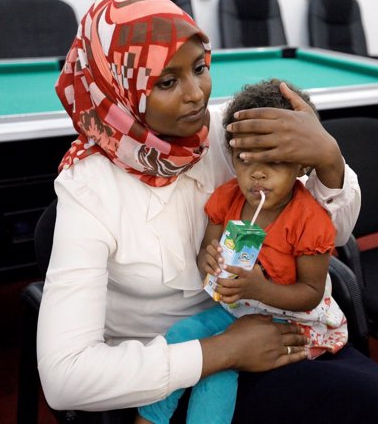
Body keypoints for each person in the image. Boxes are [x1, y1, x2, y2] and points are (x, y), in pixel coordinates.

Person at [37, 0, 378, 423]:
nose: (196, 95)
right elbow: (64, 377)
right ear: (120, 89)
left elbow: (331, 233)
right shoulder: (87, 187)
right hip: (163, 369)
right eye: (167, 82)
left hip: (267, 318)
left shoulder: (228, 132)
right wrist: (222, 351)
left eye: (201, 68)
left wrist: (328, 159)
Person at [136, 80, 348, 424]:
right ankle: (150, 419)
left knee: (218, 367)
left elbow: (310, 295)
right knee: (177, 338)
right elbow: (209, 250)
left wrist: (260, 289)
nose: (258, 174)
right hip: (239, 308)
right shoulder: (227, 198)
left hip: (292, 319)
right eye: (244, 160)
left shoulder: (311, 221)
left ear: (302, 166)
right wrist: (208, 260)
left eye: (276, 162)